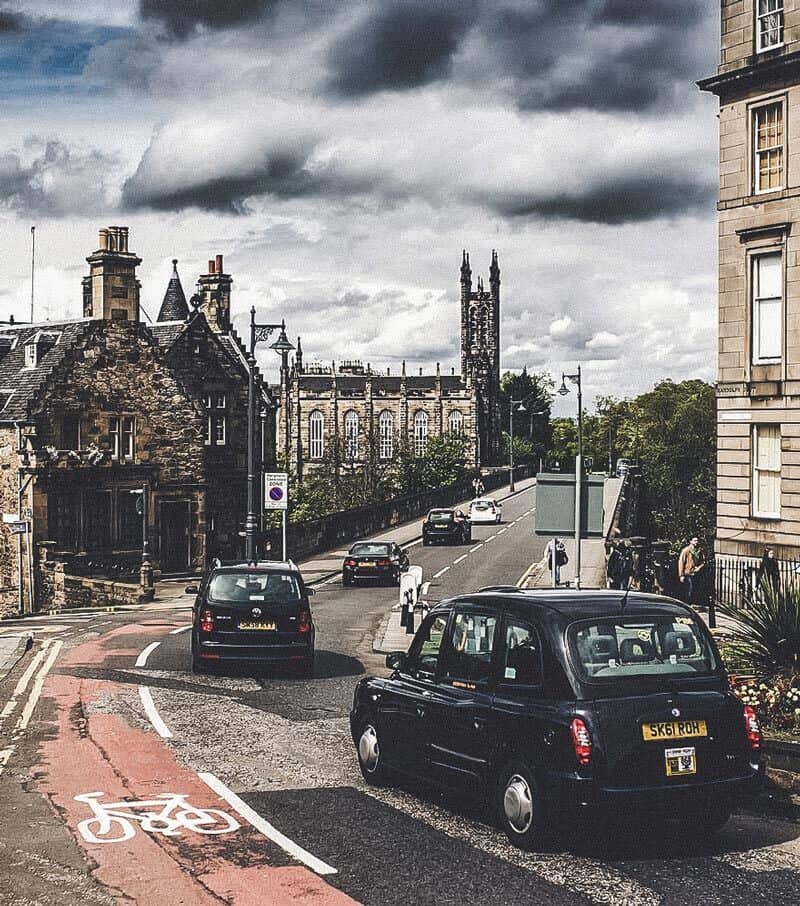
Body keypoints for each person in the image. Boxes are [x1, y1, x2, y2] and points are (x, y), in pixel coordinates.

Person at [678, 536, 703, 605]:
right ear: (690, 541)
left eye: (697, 541)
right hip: (687, 573)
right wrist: (681, 575)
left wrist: (699, 568)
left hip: (696, 573)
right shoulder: (686, 550)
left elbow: (703, 561)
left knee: (695, 590)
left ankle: (692, 604)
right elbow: (681, 562)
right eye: (694, 541)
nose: (696, 542)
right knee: (689, 590)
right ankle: (687, 604)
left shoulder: (699, 551)